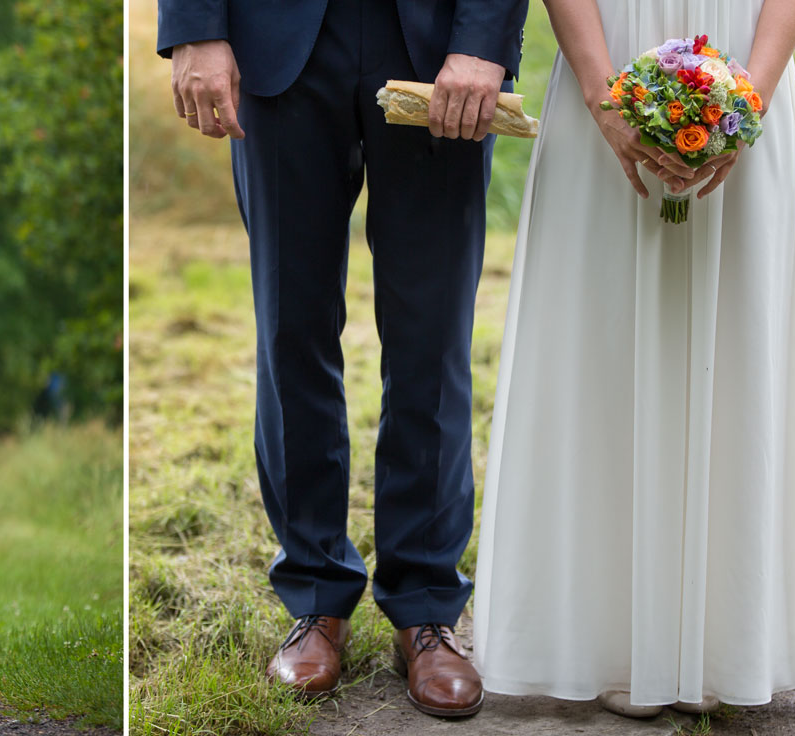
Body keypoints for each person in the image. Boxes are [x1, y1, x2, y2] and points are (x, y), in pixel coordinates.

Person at [159, 0, 527, 718]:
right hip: (277, 38)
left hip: (434, 41)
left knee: (433, 336)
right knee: (291, 328)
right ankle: (316, 596)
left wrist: (483, 40)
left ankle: (425, 606)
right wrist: (196, 28)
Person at [474, 0, 795, 716]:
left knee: (735, 339)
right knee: (602, 338)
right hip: (609, 60)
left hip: (745, 58)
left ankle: (723, 639)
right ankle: (603, 635)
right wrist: (602, 93)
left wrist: (746, 103)